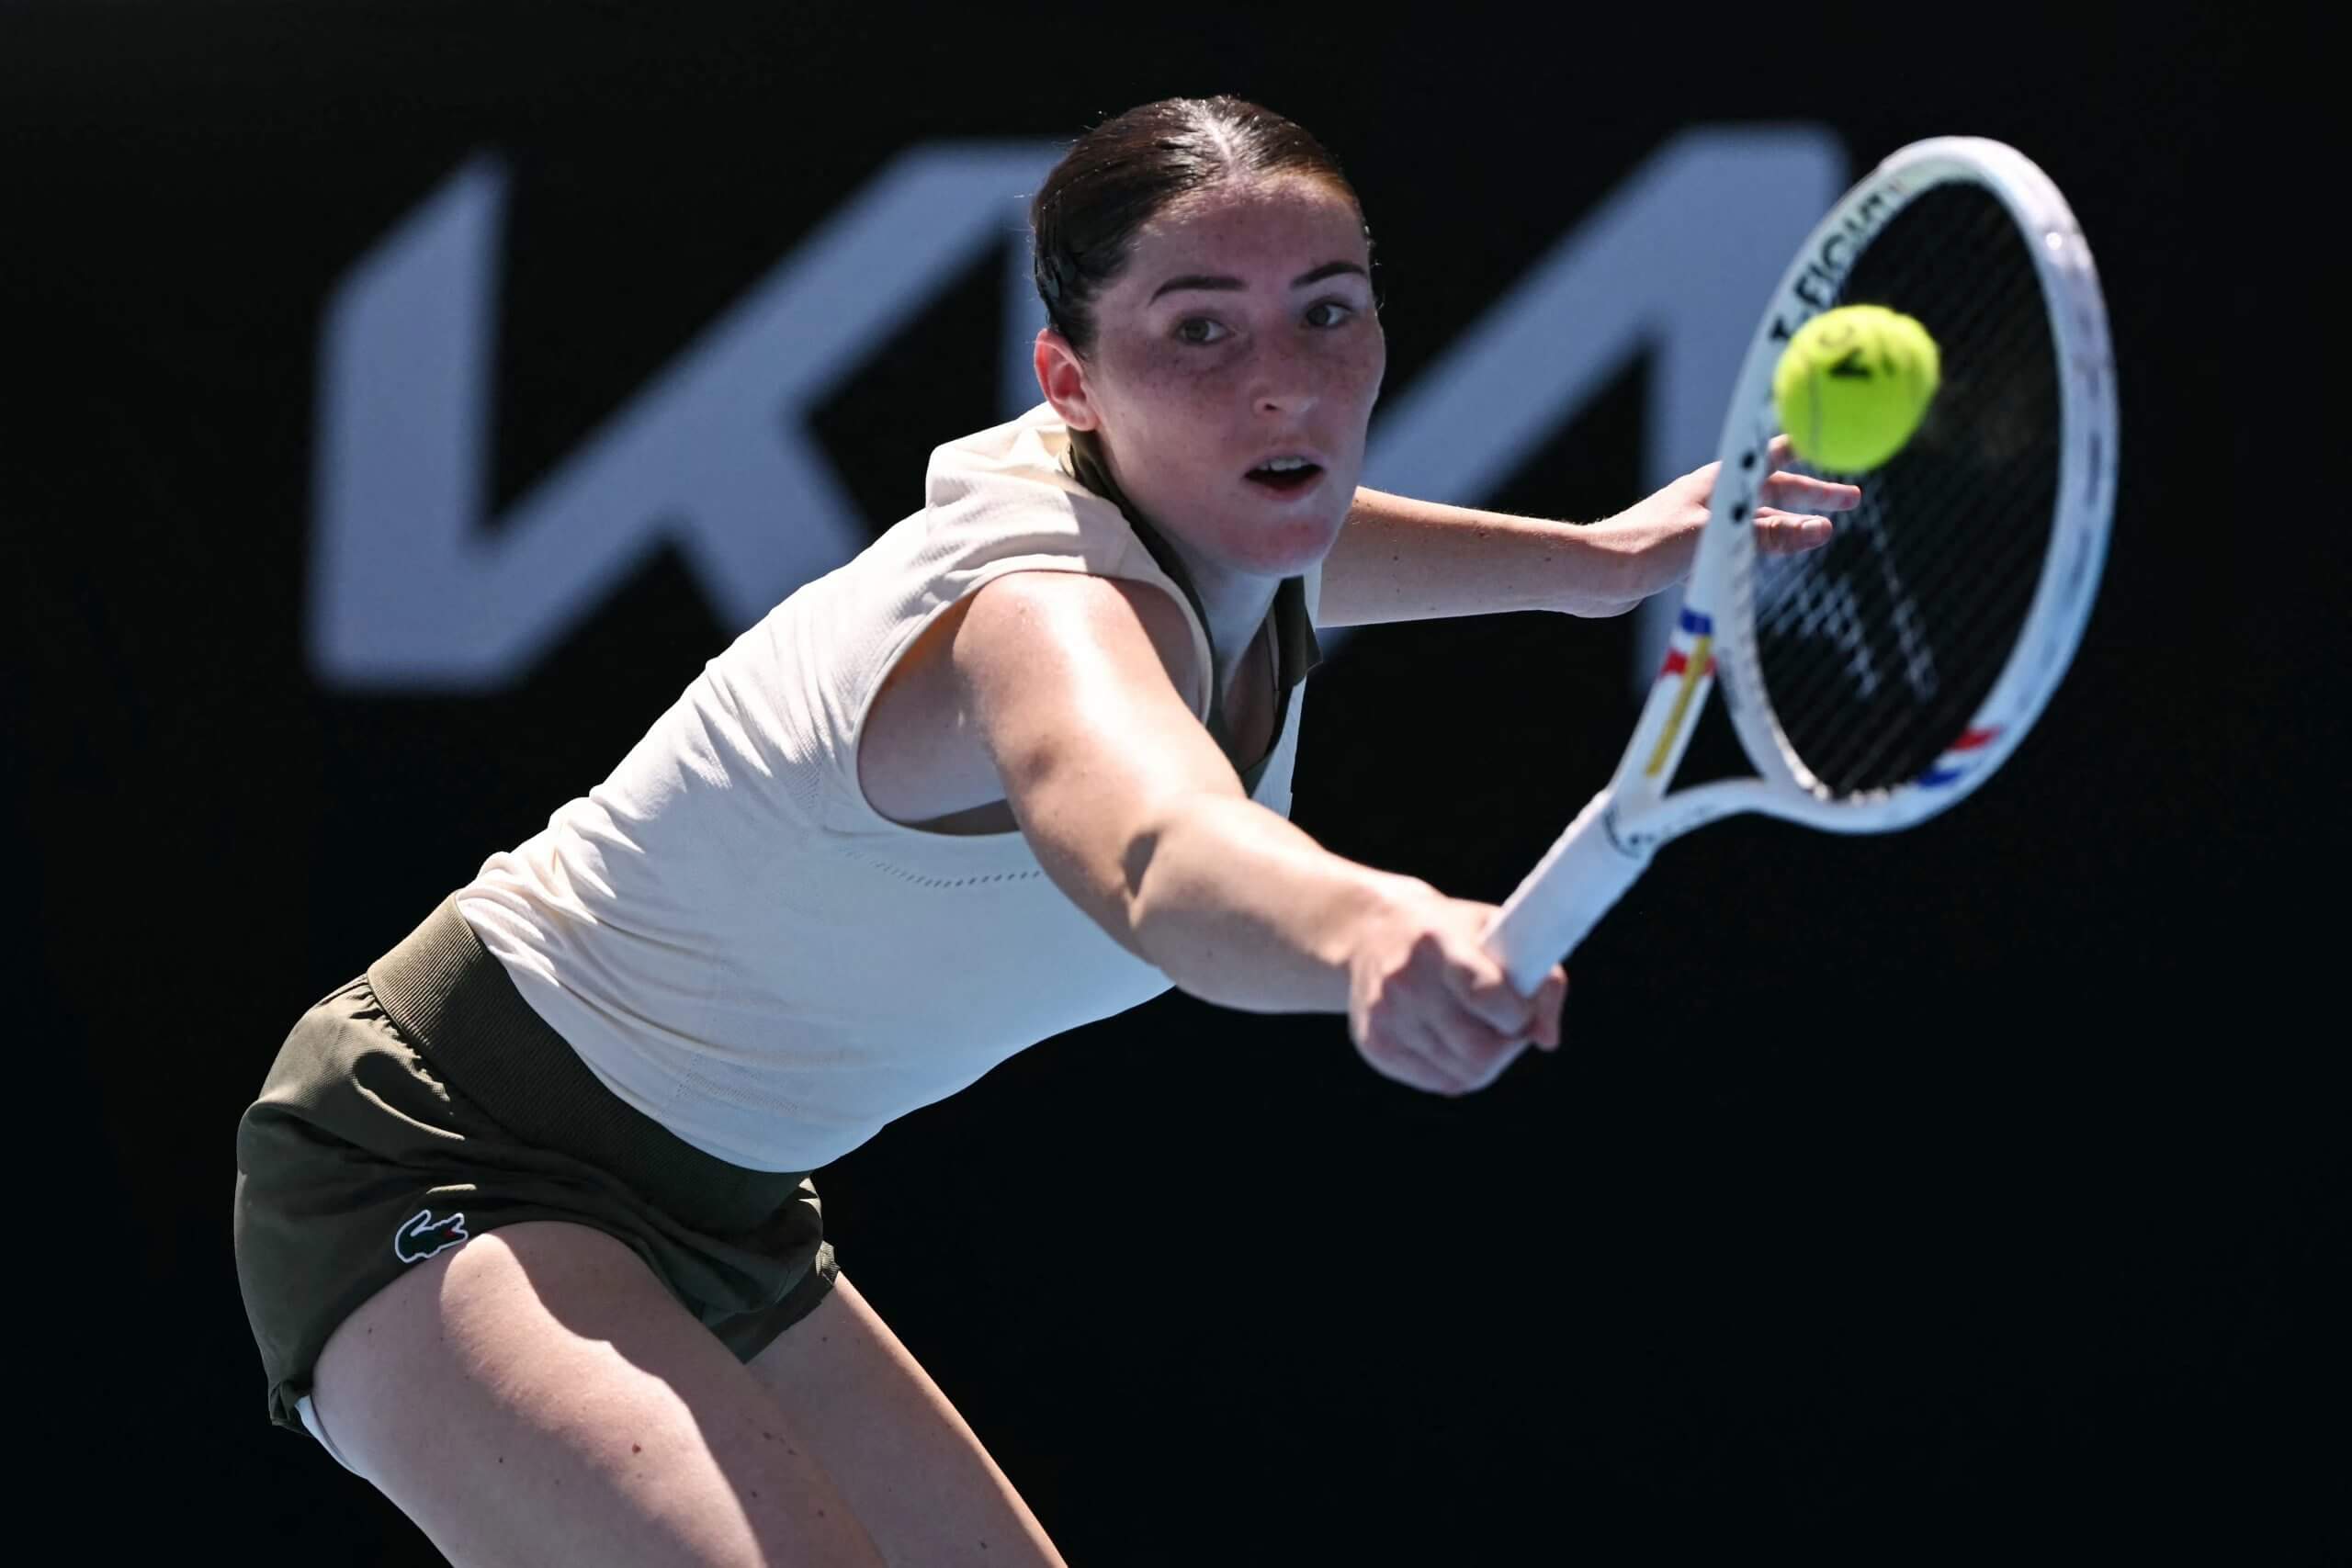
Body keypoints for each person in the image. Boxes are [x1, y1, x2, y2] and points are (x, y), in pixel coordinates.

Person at [233, 95, 1851, 1567]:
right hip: (444, 1153)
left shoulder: (1217, 520)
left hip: (730, 1210)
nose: (1284, 380)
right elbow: (1154, 848)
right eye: (1197, 329)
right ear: (1069, 379)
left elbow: (1296, 533)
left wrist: (1594, 564)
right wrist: (1374, 929)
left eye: (1328, 310)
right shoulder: (1040, 620)